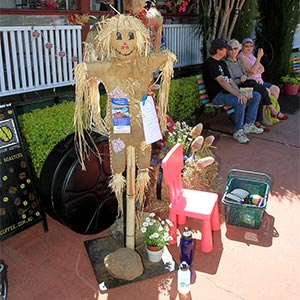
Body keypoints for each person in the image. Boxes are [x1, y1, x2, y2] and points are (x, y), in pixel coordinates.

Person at [202, 38, 263, 144]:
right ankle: (238, 131)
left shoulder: (222, 63)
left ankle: (248, 124)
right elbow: (222, 82)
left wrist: (240, 93)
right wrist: (238, 95)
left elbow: (230, 81)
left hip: (228, 93)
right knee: (239, 101)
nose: (227, 51)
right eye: (226, 49)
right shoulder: (210, 63)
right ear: (219, 50)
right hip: (218, 96)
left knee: (256, 95)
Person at [224, 39, 286, 131]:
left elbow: (248, 73)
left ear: (238, 49)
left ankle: (254, 121)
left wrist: (246, 76)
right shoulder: (227, 63)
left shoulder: (238, 61)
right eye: (231, 49)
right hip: (238, 88)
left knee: (259, 93)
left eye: (235, 48)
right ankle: (268, 112)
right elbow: (230, 79)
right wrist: (243, 78)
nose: (233, 51)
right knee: (261, 91)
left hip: (247, 84)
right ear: (228, 50)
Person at [238, 38, 288, 121]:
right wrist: (258, 58)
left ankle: (269, 113)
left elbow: (262, 69)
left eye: (251, 46)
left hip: (259, 81)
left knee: (276, 89)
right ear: (242, 47)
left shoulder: (251, 56)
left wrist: (255, 69)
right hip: (250, 84)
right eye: (246, 46)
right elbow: (252, 71)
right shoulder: (241, 58)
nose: (249, 48)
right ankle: (263, 116)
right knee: (266, 91)